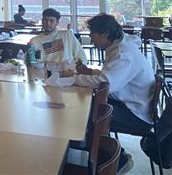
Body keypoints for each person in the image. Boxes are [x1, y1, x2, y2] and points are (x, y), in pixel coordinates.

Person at [63, 14, 155, 174]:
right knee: (86, 107)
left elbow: (105, 84)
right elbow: (111, 76)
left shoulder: (124, 54)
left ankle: (116, 160)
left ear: (105, 33)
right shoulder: (120, 47)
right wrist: (90, 72)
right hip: (128, 103)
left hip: (137, 114)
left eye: (93, 34)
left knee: (84, 115)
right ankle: (93, 152)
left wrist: (72, 79)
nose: (91, 39)